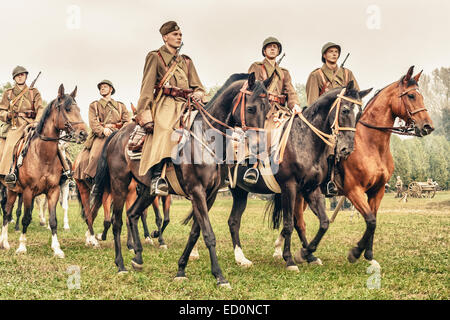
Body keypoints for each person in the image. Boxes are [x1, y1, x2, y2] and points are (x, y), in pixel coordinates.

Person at [135, 21, 205, 196]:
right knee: (166, 130)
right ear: (165, 37)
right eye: (175, 34)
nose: (179, 37)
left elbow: (198, 86)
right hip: (165, 103)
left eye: (180, 34)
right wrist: (145, 112)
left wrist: (200, 93)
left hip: (187, 103)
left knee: (206, 127)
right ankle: (158, 177)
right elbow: (147, 87)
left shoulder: (186, 61)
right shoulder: (155, 57)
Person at [305, 42, 360, 196]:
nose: (334, 54)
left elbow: (356, 96)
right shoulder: (316, 75)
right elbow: (312, 104)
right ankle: (329, 181)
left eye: (336, 52)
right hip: (324, 122)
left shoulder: (348, 74)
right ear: (324, 55)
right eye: (330, 52)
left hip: (344, 119)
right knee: (330, 146)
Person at [245, 37, 301, 184]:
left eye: (275, 47)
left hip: (281, 110)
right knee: (263, 132)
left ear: (278, 51)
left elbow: (290, 91)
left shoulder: (284, 72)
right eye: (269, 47)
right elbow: (250, 89)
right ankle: (253, 166)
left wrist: (294, 104)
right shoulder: (256, 67)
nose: (272, 49)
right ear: (264, 51)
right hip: (263, 109)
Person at [0, 66, 43, 186]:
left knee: (53, 141)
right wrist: (7, 115)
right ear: (14, 78)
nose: (20, 76)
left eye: (22, 74)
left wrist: (37, 122)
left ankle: (65, 172)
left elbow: (40, 108)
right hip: (16, 124)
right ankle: (8, 173)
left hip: (32, 123)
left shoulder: (34, 92)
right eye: (18, 75)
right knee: (10, 144)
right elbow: (1, 111)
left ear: (26, 76)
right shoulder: (8, 93)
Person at [83, 80, 130, 183]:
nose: (102, 88)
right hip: (101, 135)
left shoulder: (120, 106)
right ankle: (94, 180)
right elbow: (93, 122)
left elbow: (127, 121)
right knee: (95, 156)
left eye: (105, 86)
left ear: (111, 89)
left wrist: (121, 132)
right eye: (100, 87)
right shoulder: (94, 105)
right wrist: (103, 130)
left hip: (118, 135)